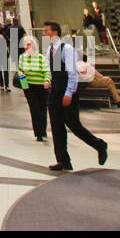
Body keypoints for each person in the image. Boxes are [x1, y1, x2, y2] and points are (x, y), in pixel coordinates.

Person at [44, 22, 107, 172]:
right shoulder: (49, 50)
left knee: (74, 125)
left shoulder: (67, 49)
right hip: (53, 93)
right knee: (56, 127)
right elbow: (51, 71)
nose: (44, 33)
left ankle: (99, 145)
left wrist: (68, 93)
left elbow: (72, 73)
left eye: (46, 31)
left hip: (65, 92)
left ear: (54, 33)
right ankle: (63, 160)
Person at [17, 34, 49, 142]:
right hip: (28, 86)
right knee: (34, 108)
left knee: (42, 108)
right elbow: (20, 69)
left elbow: (46, 71)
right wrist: (23, 80)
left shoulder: (41, 57)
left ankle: (43, 130)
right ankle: (38, 133)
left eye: (28, 44)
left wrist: (46, 80)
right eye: (25, 45)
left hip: (41, 86)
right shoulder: (22, 57)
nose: (26, 47)